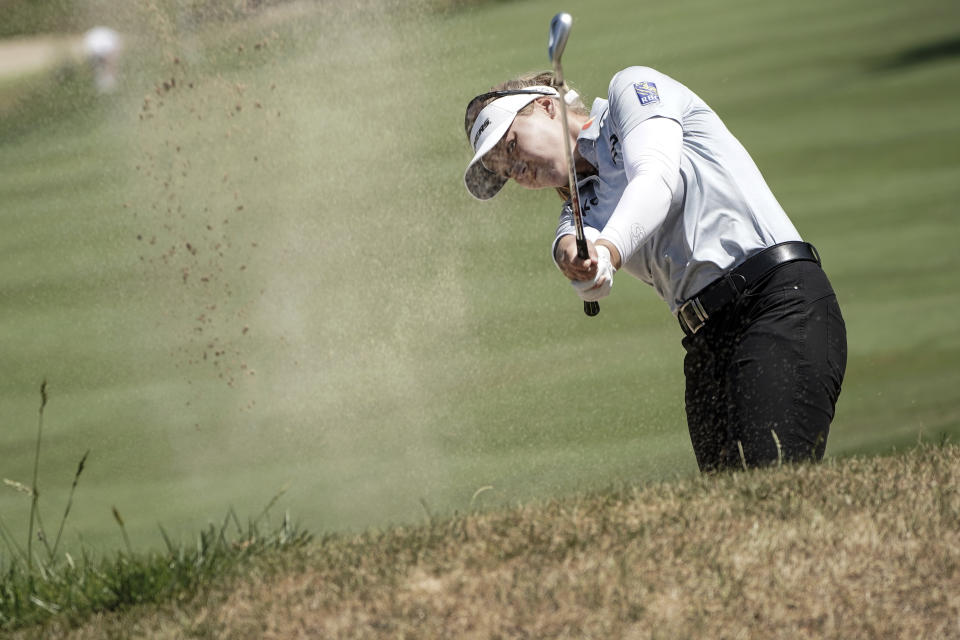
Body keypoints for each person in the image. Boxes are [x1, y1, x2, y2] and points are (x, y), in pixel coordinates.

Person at [462, 67, 847, 472]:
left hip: (776, 304)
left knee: (775, 483)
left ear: (546, 106)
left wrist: (607, 251)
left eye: (512, 145)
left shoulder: (631, 92)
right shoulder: (580, 208)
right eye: (505, 170)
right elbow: (569, 252)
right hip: (706, 343)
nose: (516, 169)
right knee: (731, 516)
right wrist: (581, 268)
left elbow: (654, 179)